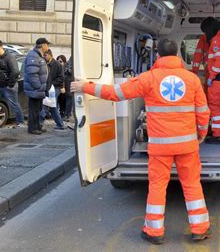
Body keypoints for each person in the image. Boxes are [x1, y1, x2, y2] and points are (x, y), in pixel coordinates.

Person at [71, 40, 211, 245]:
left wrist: (86, 86)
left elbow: (116, 94)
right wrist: (201, 133)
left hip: (160, 146)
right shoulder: (192, 79)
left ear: (158, 56)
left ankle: (154, 232)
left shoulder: (148, 78)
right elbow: (202, 111)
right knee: (191, 185)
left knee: (157, 186)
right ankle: (200, 229)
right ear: (179, 55)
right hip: (187, 145)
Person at [0, 39, 25, 129]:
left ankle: (20, 122)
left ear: (1, 47)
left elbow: (15, 71)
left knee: (14, 104)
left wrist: (10, 84)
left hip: (8, 86)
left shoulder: (9, 57)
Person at [24, 38, 49, 135]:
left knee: (38, 109)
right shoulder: (33, 56)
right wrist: (38, 86)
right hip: (35, 89)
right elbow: (32, 74)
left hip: (38, 89)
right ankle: (33, 128)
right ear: (43, 45)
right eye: (47, 44)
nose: (48, 46)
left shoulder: (38, 55)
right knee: (34, 109)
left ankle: (37, 126)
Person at [40, 50, 65, 130]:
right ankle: (60, 124)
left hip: (55, 88)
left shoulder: (57, 64)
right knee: (52, 106)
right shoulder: (45, 64)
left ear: (50, 55)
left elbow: (61, 78)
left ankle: (39, 123)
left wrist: (52, 84)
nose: (44, 57)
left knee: (47, 104)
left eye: (45, 55)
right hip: (49, 87)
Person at [56, 55, 68, 119]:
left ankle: (63, 112)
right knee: (58, 100)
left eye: (61, 61)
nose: (60, 62)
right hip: (58, 86)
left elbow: (64, 78)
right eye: (58, 61)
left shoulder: (65, 68)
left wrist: (63, 87)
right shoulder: (56, 67)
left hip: (64, 87)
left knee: (63, 101)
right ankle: (59, 113)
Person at [63, 56, 73, 121]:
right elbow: (69, 71)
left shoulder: (69, 61)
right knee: (69, 98)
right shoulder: (71, 61)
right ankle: (68, 114)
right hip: (69, 82)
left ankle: (67, 114)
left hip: (69, 82)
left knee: (69, 99)